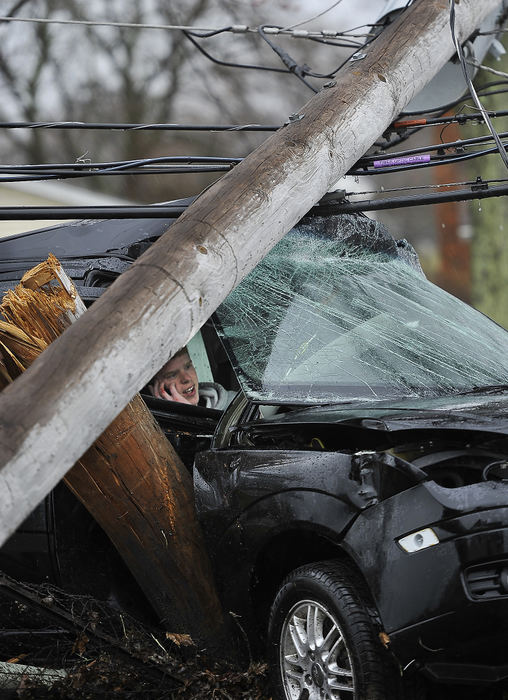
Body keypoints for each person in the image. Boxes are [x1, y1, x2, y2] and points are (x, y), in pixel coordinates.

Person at [150, 347, 234, 410]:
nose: (186, 378)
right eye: (172, 375)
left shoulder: (234, 404)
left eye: (187, 366)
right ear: (157, 388)